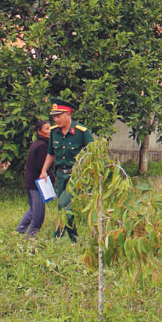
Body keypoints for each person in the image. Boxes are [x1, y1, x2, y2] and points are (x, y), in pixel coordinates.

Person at [39, 99, 93, 242]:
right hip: (60, 174)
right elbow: (51, 153)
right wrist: (44, 171)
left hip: (76, 175)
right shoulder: (54, 132)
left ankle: (57, 236)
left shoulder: (82, 132)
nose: (56, 120)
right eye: (54, 117)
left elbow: (93, 154)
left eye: (58, 116)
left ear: (68, 114)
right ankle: (73, 238)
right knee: (66, 207)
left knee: (63, 204)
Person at [15, 119, 53, 237]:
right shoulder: (42, 146)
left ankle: (19, 232)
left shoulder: (37, 143)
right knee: (38, 214)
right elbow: (41, 167)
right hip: (38, 184)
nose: (50, 131)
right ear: (39, 132)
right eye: (46, 129)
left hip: (31, 182)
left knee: (32, 210)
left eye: (50, 128)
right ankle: (31, 237)